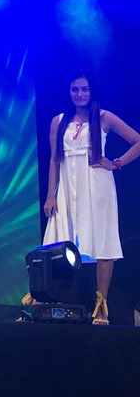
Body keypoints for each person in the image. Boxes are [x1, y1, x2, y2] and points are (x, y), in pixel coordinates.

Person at [42, 70, 140, 324]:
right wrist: (50, 195)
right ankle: (43, 303)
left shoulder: (104, 117)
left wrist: (115, 163)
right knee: (55, 243)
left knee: (102, 241)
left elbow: (137, 141)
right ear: (69, 92)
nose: (80, 94)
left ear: (92, 91)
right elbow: (55, 160)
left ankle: (101, 305)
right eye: (75, 89)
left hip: (97, 188)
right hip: (66, 190)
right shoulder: (58, 121)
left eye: (84, 89)